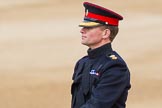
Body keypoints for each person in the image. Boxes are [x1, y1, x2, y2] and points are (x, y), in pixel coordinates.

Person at [71, 2, 131, 108]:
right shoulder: (82, 62)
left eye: (88, 28)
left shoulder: (115, 66)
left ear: (105, 33)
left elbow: (98, 105)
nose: (82, 31)